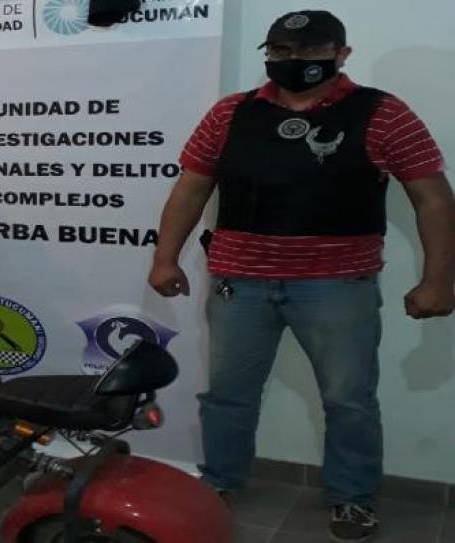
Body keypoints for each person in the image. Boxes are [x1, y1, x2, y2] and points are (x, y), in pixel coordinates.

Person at [147, 11, 454, 542]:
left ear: (341, 53)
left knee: (349, 400)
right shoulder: (230, 113)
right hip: (239, 284)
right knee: (227, 396)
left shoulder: (384, 113)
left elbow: (434, 200)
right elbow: (192, 187)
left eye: (311, 51)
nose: (295, 62)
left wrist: (439, 281)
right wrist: (164, 257)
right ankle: (219, 481)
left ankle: (353, 497)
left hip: (337, 287)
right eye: (282, 51)